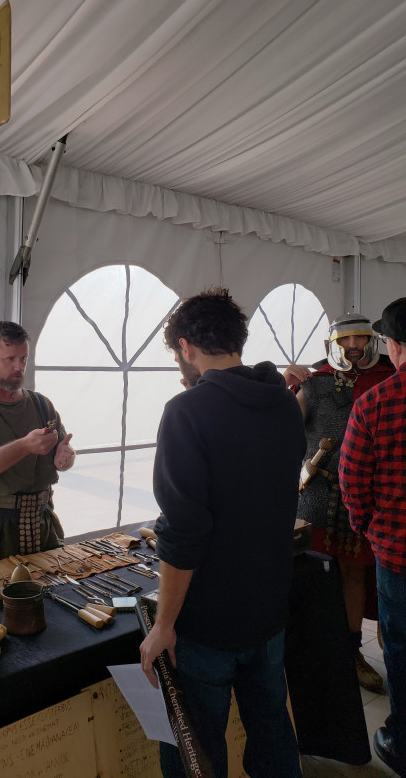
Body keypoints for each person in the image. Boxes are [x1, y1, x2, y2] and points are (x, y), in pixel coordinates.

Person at [140, 288, 305, 778]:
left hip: (208, 624)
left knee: (198, 750)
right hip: (269, 610)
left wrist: (164, 624)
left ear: (187, 347)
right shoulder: (283, 404)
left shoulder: (186, 412)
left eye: (176, 354)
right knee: (273, 733)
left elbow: (184, 532)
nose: (179, 365)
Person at [284, 313, 394, 690]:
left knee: (354, 573)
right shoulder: (312, 385)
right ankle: (311, 652)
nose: (354, 348)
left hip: (365, 496)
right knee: (311, 575)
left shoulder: (388, 380)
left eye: (361, 339)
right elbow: (280, 431)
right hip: (316, 494)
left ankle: (352, 652)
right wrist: (285, 387)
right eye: (346, 342)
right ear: (334, 345)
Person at [339, 297, 406, 777]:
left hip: (398, 555)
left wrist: (370, 529)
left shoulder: (376, 402)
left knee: (400, 646)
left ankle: (403, 741)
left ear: (394, 347)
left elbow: (353, 480)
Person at [0, 321, 75, 563]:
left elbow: (63, 454)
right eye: (10, 359)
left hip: (42, 527)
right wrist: (24, 446)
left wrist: (66, 458)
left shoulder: (41, 404)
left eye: (24, 359)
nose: (19, 367)